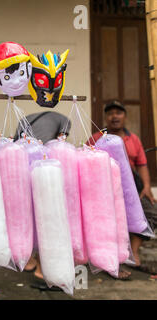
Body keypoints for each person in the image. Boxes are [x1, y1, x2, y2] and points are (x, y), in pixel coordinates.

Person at [88, 101, 156, 276]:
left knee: (151, 213)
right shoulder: (96, 138)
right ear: (106, 118)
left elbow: (142, 165)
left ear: (124, 116)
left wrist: (147, 187)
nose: (115, 116)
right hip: (104, 188)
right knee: (108, 220)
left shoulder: (133, 139)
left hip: (132, 187)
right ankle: (110, 259)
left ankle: (132, 254)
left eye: (118, 113)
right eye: (110, 113)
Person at [14, 111, 71, 290]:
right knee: (48, 220)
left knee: (27, 216)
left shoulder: (25, 119)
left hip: (22, 167)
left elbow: (16, 139)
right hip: (46, 172)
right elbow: (60, 142)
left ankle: (28, 260)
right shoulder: (65, 120)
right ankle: (41, 269)